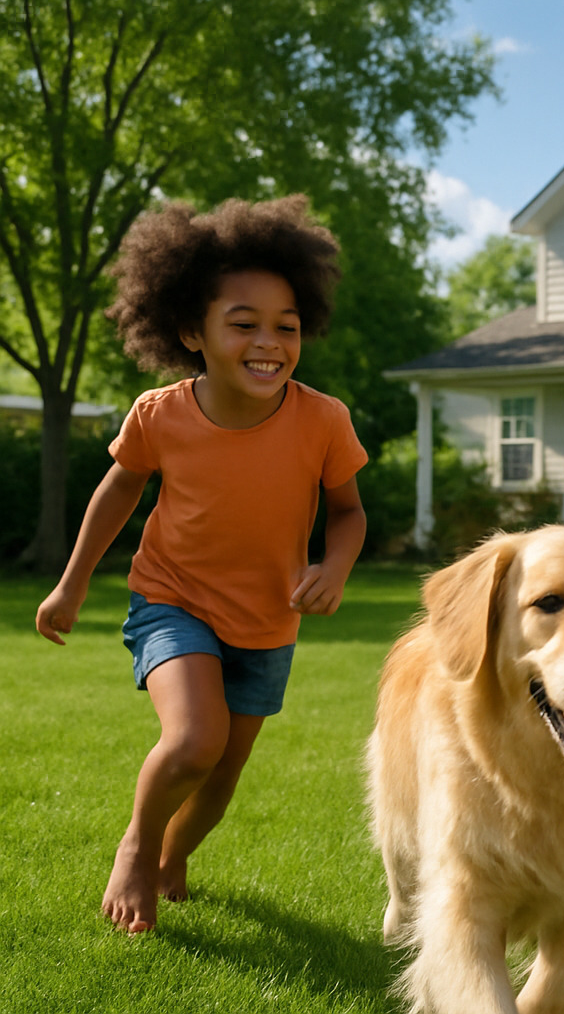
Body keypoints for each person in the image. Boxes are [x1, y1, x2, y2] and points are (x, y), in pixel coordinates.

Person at [35, 195, 368, 934]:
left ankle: (172, 856)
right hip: (173, 600)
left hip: (269, 620)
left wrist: (336, 566)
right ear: (192, 331)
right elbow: (119, 489)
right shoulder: (161, 414)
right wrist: (71, 584)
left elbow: (349, 512)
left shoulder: (323, 419)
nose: (268, 342)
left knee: (221, 777)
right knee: (193, 741)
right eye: (243, 324)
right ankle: (136, 846)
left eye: (286, 326)